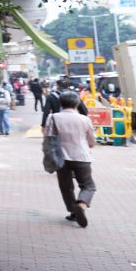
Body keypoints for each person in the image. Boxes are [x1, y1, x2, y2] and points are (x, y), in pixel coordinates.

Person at [48, 92, 97, 227]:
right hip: (81, 157)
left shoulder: (53, 117)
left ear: (60, 103)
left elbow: (49, 137)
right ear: (77, 104)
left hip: (61, 158)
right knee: (88, 185)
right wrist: (89, 145)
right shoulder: (84, 119)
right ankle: (81, 204)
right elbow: (92, 141)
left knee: (66, 187)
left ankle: (73, 212)